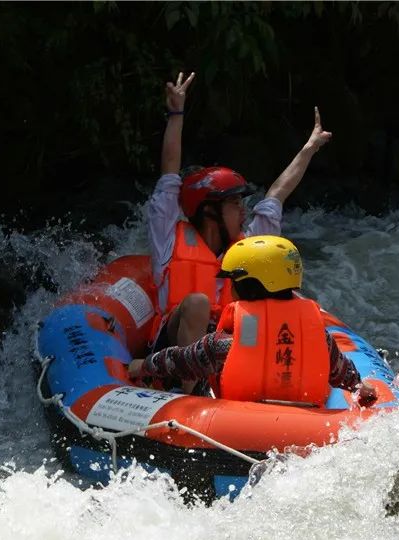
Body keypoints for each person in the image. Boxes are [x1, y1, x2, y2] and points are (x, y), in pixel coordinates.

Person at [148, 70, 332, 391]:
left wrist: (309, 149)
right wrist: (176, 113)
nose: (243, 209)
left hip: (224, 348)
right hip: (172, 351)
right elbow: (168, 174)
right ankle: (190, 393)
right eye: (234, 203)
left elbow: (276, 195)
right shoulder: (167, 239)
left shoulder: (249, 245)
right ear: (209, 211)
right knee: (196, 303)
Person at [129, 236, 378, 407]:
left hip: (233, 425)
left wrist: (144, 366)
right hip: (303, 423)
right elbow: (341, 373)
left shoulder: (227, 341)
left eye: (233, 282)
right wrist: (359, 385)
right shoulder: (318, 337)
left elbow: (182, 361)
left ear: (247, 286)